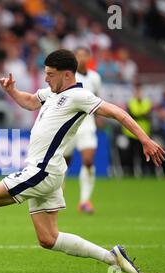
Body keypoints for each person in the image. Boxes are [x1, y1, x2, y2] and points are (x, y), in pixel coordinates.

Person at [0, 49, 165, 273]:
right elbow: (29, 102)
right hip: (49, 172)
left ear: (67, 74)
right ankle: (112, 257)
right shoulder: (53, 93)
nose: (46, 78)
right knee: (48, 239)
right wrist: (12, 90)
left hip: (42, 171)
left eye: (50, 74)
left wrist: (144, 139)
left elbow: (117, 112)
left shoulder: (78, 96)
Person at [63, 47, 101, 213]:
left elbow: (98, 98)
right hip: (69, 124)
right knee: (63, 164)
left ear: (89, 57)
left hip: (87, 124)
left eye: (84, 55)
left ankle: (85, 201)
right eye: (78, 56)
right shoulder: (68, 76)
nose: (82, 59)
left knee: (88, 161)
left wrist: (99, 116)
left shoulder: (95, 77)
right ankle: (57, 195)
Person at [121, 84, 154, 176]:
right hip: (131, 133)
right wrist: (142, 114)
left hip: (144, 133)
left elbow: (148, 116)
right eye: (137, 92)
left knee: (144, 154)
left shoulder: (147, 102)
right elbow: (132, 115)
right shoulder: (130, 102)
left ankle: (145, 172)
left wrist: (138, 115)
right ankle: (130, 172)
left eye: (140, 92)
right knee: (130, 154)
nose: (138, 94)